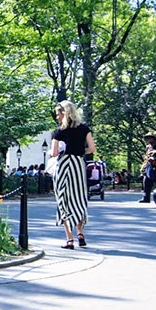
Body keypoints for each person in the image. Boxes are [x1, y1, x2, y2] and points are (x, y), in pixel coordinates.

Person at [50, 100, 96, 249]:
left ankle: (69, 239)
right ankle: (80, 233)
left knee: (63, 200)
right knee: (78, 198)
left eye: (58, 114)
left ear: (64, 114)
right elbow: (92, 148)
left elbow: (54, 153)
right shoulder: (84, 129)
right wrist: (80, 152)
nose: (57, 117)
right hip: (77, 164)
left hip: (63, 164)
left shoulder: (58, 131)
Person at [139, 134, 156, 203]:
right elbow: (146, 156)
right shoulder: (148, 147)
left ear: (153, 138)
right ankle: (146, 198)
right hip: (148, 167)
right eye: (147, 138)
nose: (148, 140)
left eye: (150, 138)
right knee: (146, 183)